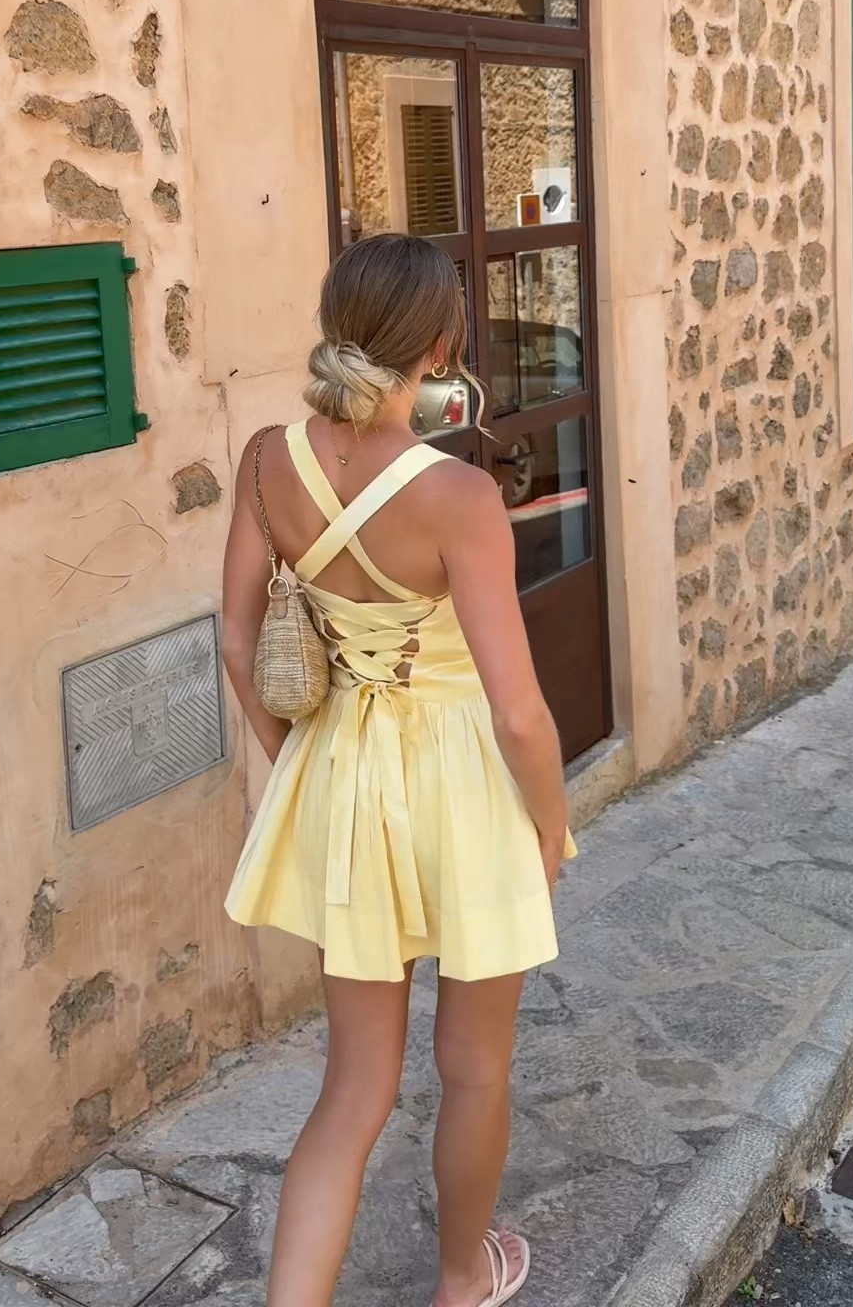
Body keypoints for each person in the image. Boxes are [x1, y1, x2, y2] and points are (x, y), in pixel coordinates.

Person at [220, 232, 576, 1307]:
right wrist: (552, 827)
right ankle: (463, 1280)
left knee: (354, 1084)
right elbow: (516, 711)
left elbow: (239, 647)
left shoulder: (265, 463)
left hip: (346, 772)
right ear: (439, 344)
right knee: (473, 1067)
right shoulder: (461, 498)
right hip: (464, 790)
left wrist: (303, 768)